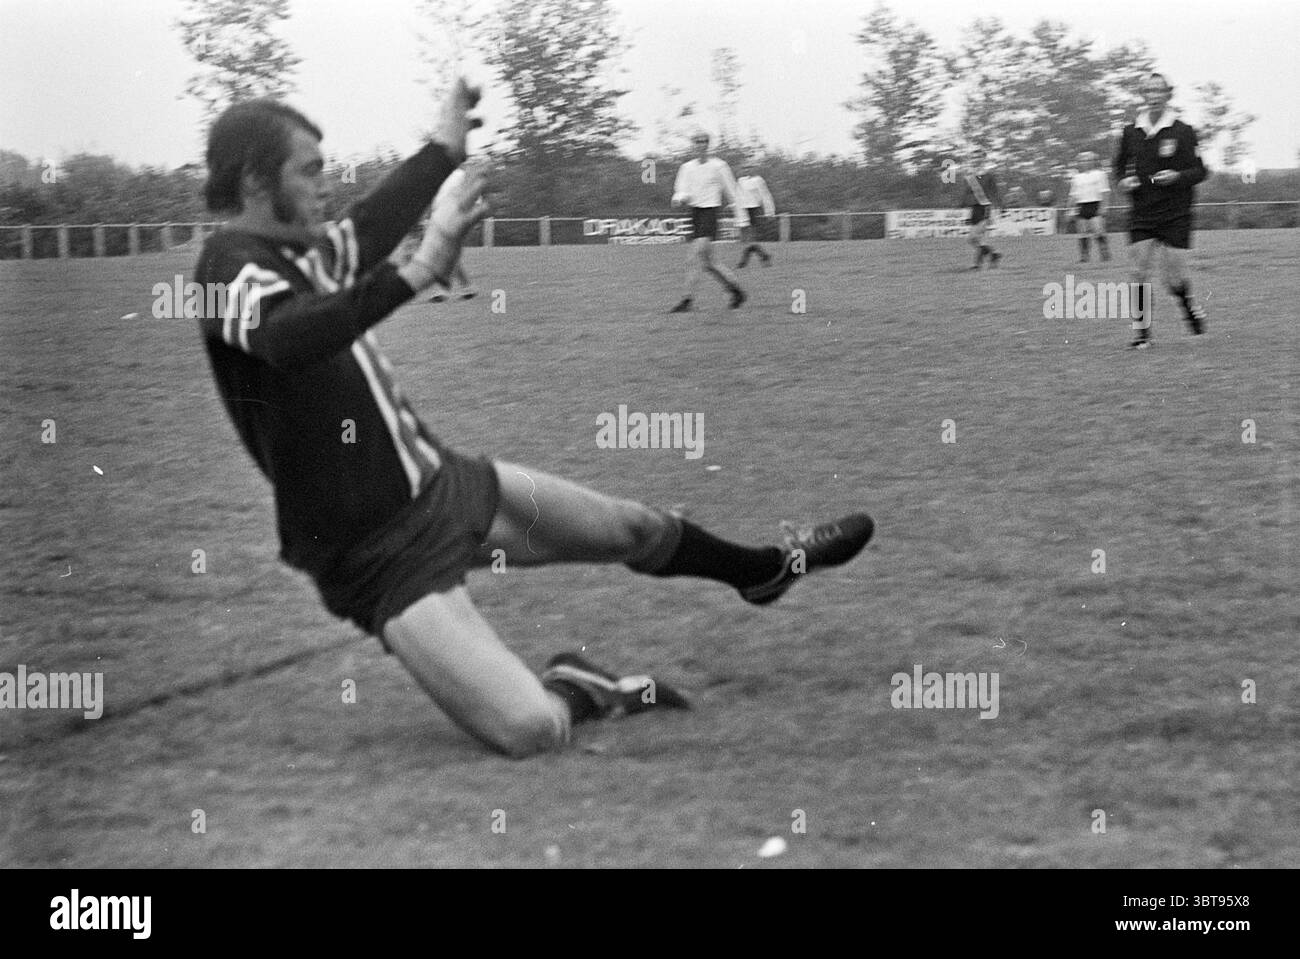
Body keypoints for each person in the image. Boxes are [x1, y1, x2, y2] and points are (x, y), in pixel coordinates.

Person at [193, 82, 874, 759]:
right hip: (375, 557)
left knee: (631, 526)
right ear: (256, 181)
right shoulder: (227, 267)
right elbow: (288, 336)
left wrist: (441, 151)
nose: (325, 183)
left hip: (442, 484)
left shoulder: (307, 248)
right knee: (531, 728)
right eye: (309, 170)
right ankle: (582, 686)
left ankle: (763, 569)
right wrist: (423, 266)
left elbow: (370, 224)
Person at [1113, 72, 1208, 348]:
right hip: (1142, 211)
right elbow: (1118, 165)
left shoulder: (1183, 131)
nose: (1153, 95)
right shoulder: (1131, 131)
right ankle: (1142, 336)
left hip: (1176, 212)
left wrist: (1176, 177)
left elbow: (1200, 170)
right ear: (1143, 95)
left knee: (1173, 279)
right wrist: (1123, 180)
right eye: (1149, 91)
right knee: (1137, 271)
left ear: (1168, 94)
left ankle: (1188, 306)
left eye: (1159, 90)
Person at [668, 132, 747, 312]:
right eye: (697, 141)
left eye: (704, 141)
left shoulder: (719, 166)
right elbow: (681, 190)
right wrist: (679, 198)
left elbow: (732, 192)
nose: (701, 145)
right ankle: (737, 291)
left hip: (710, 214)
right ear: (693, 145)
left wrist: (741, 218)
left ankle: (687, 300)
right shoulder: (686, 168)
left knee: (692, 258)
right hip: (695, 214)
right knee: (710, 263)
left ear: (708, 145)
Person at [958, 154, 1003, 269]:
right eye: (974, 159)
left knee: (974, 237)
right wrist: (962, 203)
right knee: (974, 239)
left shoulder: (988, 175)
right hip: (974, 209)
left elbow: (995, 192)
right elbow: (967, 192)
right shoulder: (970, 176)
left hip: (984, 208)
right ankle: (993, 255)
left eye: (978, 159)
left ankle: (979, 263)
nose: (976, 161)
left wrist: (1001, 205)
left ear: (983, 161)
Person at [1066, 151, 1111, 263]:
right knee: (1082, 232)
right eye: (1082, 160)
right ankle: (1084, 256)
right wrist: (1069, 209)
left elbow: (1105, 192)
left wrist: (1103, 207)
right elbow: (1073, 195)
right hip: (1081, 205)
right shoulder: (1076, 177)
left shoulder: (1100, 174)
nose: (1085, 162)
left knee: (1098, 230)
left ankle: (1104, 253)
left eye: (1088, 160)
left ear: (1093, 161)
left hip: (1095, 204)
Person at [735, 164, 776, 269]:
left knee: (750, 238)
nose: (746, 170)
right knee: (746, 239)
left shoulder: (758, 180)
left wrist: (770, 212)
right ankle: (764, 256)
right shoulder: (741, 181)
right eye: (745, 168)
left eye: (748, 168)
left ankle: (744, 262)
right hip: (743, 210)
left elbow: (765, 196)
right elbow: (737, 196)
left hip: (753, 209)